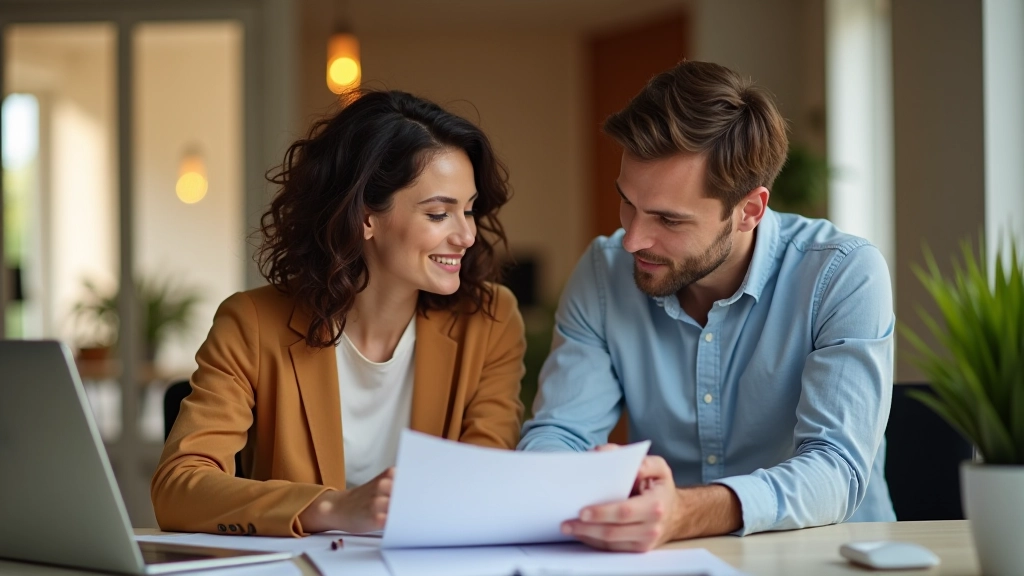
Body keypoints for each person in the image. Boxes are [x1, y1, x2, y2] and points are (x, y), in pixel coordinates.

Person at [520, 60, 895, 551]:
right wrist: (576, 480)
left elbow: (835, 468)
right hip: (666, 556)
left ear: (749, 210)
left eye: (668, 221)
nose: (632, 239)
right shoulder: (604, 271)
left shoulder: (842, 275)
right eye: (627, 203)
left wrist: (688, 512)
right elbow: (559, 433)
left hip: (826, 555)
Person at [152, 90, 526, 537]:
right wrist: (331, 509)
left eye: (468, 210)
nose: (466, 235)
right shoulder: (250, 323)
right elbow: (178, 487)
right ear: (365, 216)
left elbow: (483, 481)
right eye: (440, 213)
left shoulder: (491, 320)